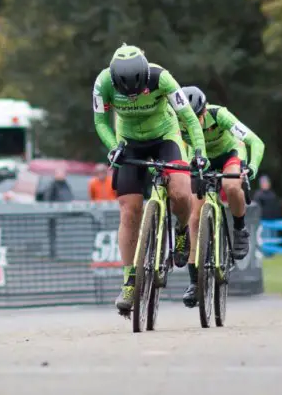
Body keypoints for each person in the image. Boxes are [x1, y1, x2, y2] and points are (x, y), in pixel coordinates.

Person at [92, 43, 207, 313]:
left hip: (165, 137)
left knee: (180, 192)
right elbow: (100, 122)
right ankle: (130, 281)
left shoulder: (161, 78)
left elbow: (189, 118)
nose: (132, 97)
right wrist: (113, 146)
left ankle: (180, 231)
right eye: (126, 92)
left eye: (138, 91)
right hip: (129, 141)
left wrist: (199, 151)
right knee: (129, 211)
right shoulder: (103, 83)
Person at [178, 85, 265, 307]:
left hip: (229, 155)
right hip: (201, 161)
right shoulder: (180, 121)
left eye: (196, 117)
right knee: (194, 218)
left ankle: (239, 228)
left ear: (204, 112)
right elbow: (183, 150)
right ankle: (194, 282)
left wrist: (252, 167)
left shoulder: (220, 115)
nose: (192, 122)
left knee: (231, 185)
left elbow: (255, 141)